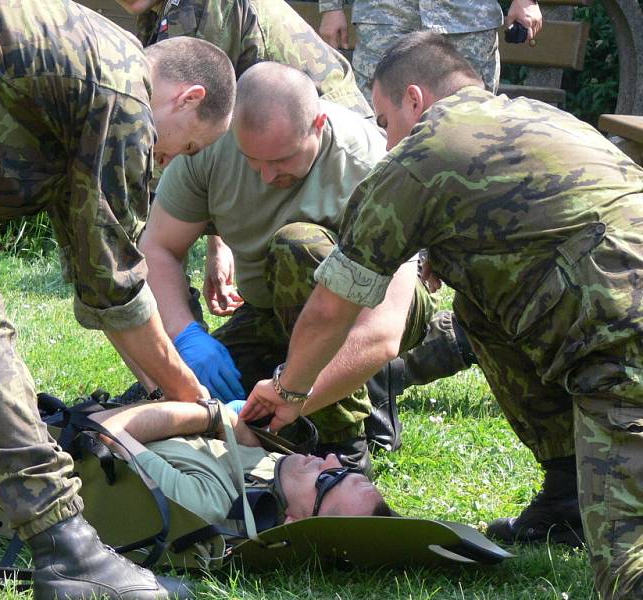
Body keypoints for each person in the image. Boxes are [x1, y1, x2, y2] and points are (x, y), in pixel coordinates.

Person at [0, 1, 236, 597]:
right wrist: (189, 395)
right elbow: (114, 285)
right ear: (187, 98)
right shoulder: (128, 95)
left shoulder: (79, 71)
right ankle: (66, 547)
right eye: (187, 148)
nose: (170, 160)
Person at [241, 32, 643, 599]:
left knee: (628, 570)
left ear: (414, 99)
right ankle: (568, 491)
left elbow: (334, 304)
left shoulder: (420, 157)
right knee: (476, 310)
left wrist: (291, 388)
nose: (385, 137)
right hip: (617, 311)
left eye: (383, 121)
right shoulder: (547, 119)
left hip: (621, 348)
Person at [140, 62, 435, 467]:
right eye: (252, 160)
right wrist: (187, 334)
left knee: (297, 246)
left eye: (281, 160)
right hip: (270, 311)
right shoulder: (210, 146)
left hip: (372, 309)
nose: (265, 175)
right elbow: (158, 247)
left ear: (317, 124)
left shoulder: (370, 163)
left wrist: (296, 395)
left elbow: (382, 331)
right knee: (188, 402)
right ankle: (368, 378)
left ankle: (342, 441)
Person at [88, 399, 392, 528]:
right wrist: (229, 422)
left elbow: (103, 432)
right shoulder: (268, 467)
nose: (330, 459)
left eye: (328, 480)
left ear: (294, 521)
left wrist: (213, 414)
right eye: (342, 469)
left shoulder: (208, 502)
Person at [113, 0, 373, 120]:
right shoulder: (157, 12)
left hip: (328, 138)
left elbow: (188, 115)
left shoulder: (201, 6)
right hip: (287, 133)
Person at [318, 0, 543, 96]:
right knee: (378, 126)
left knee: (470, 127)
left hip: (467, 23)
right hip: (386, 20)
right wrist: (331, 7)